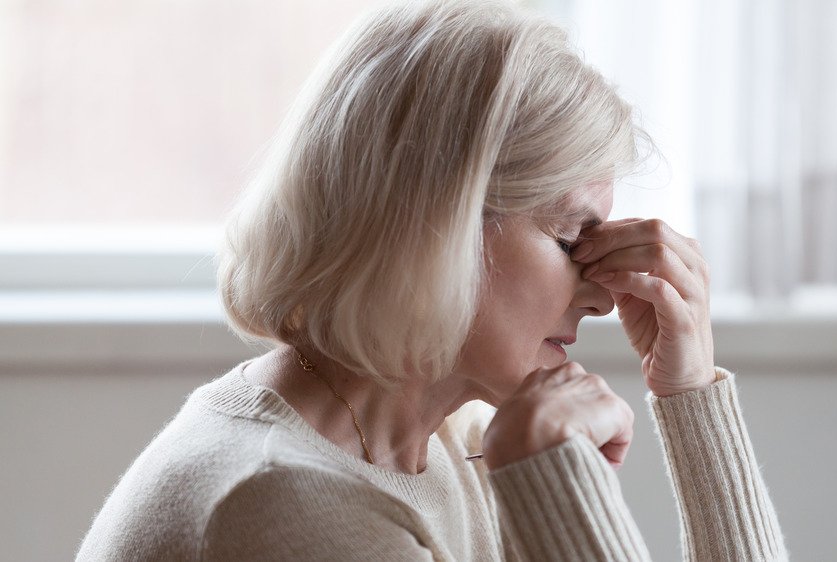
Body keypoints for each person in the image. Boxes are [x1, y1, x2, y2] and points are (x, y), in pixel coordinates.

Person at [77, 1, 787, 560]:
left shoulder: (451, 439)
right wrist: (554, 489)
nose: (603, 293)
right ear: (436, 228)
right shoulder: (285, 507)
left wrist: (689, 395)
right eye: (571, 238)